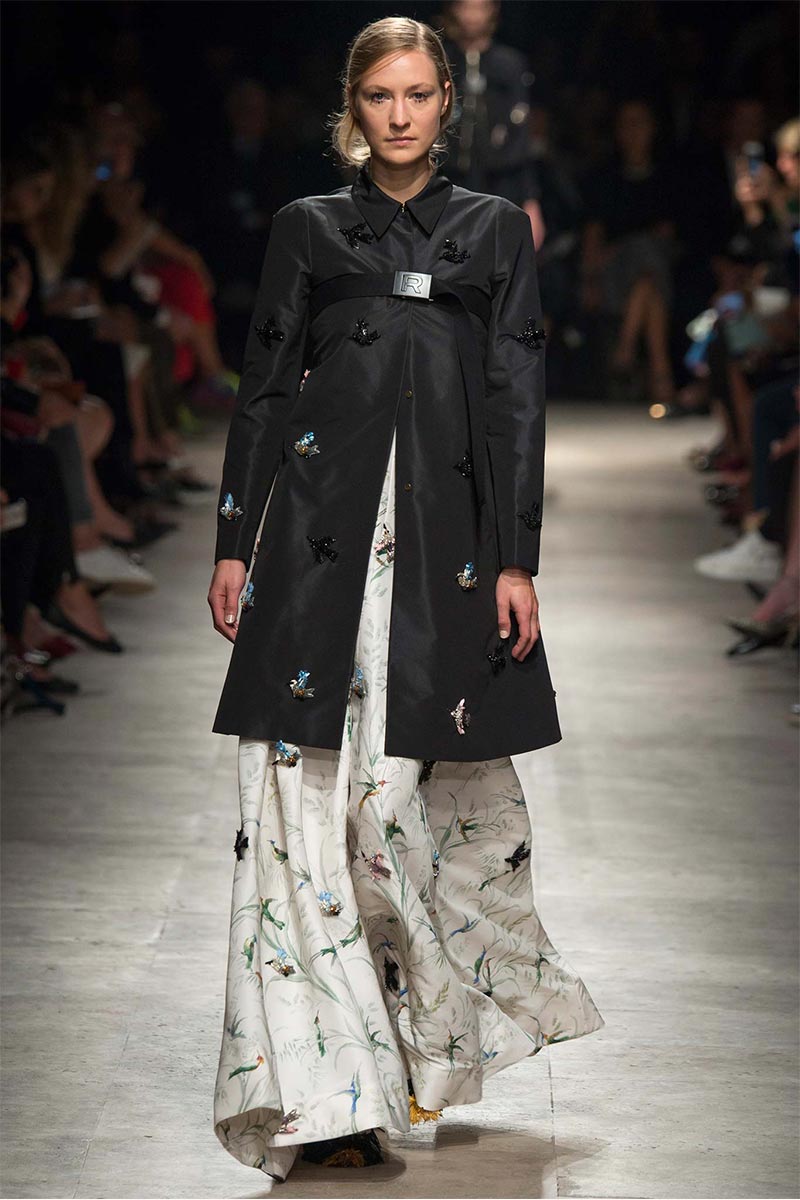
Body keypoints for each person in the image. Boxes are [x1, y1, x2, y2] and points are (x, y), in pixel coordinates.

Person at [207, 16, 604, 1183]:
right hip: (312, 554)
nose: (398, 114)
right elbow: (264, 389)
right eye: (379, 94)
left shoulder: (492, 230)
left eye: (418, 94)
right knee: (301, 813)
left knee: (394, 820)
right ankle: (329, 1097)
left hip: (440, 561)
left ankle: (401, 1054)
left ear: (444, 105)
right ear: (353, 105)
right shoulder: (307, 229)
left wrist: (519, 560)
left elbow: (515, 394)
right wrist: (232, 540)